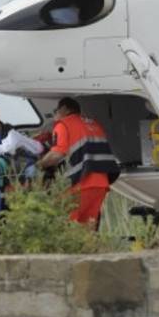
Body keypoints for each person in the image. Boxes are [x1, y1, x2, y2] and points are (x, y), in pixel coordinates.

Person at [36, 97, 119, 227]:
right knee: (89, 227)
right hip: (100, 183)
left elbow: (57, 154)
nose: (55, 115)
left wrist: (39, 165)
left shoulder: (63, 125)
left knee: (69, 227)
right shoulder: (94, 124)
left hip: (79, 184)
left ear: (64, 109)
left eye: (56, 111)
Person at [0, 99, 43, 191]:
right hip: (0, 172)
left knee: (33, 170)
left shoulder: (11, 131)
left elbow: (37, 148)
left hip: (22, 165)